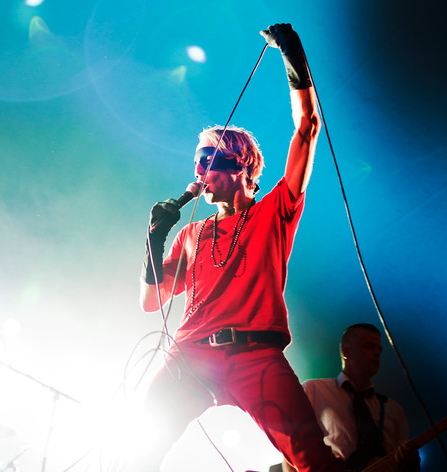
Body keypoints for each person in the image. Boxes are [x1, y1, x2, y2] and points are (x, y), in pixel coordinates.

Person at [136, 24, 345, 472]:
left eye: (209, 160)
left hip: (256, 356)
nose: (200, 170)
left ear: (241, 165)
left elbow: (308, 129)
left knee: (314, 461)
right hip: (190, 356)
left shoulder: (275, 211)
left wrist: (292, 54)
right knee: (137, 450)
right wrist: (154, 240)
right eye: (197, 162)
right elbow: (152, 302)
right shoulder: (193, 236)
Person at [288, 324, 420, 472]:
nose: (377, 352)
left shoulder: (393, 409)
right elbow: (291, 446)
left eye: (379, 349)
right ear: (346, 352)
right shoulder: (314, 390)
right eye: (369, 346)